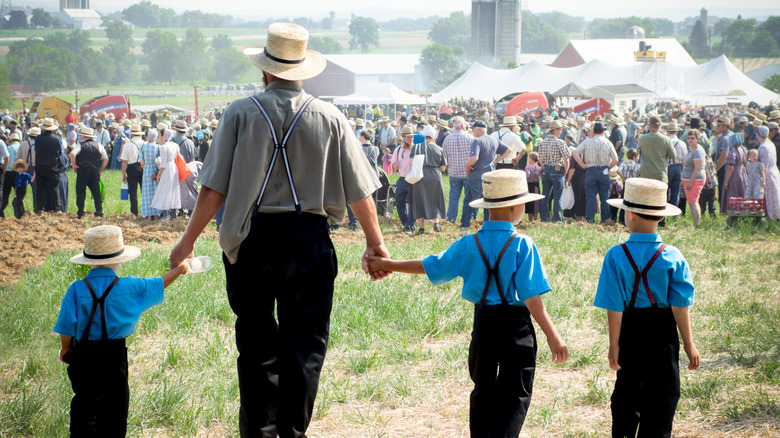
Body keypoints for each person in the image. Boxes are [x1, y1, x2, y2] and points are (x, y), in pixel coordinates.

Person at [168, 22, 387, 437]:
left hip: (250, 239)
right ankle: (292, 432)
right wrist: (377, 246)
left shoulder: (239, 112)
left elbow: (214, 188)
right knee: (304, 346)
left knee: (255, 345)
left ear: (265, 71)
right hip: (308, 240)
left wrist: (187, 241)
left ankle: (259, 434)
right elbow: (361, 192)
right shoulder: (330, 116)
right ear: (302, 71)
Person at [368, 169, 568, 437]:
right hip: (517, 328)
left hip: (484, 325)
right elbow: (532, 299)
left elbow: (431, 266)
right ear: (515, 207)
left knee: (482, 389)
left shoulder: (468, 243)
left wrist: (387, 264)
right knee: (514, 395)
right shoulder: (523, 244)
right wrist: (553, 336)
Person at [53, 225, 188, 436]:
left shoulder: (76, 289)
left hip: (84, 357)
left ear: (90, 261)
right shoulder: (131, 287)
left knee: (84, 408)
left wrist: (66, 348)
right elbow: (159, 284)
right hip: (114, 357)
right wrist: (180, 269)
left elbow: (66, 327)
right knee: (115, 411)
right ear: (119, 259)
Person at [595, 177, 700, 438]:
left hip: (630, 332)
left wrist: (614, 344)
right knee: (663, 397)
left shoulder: (615, 255)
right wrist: (688, 343)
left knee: (626, 396)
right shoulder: (672, 255)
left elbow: (614, 306)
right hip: (663, 335)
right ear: (661, 216)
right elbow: (680, 306)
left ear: (628, 215)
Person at [462, 120, 512, 230]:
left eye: (474, 129)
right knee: (488, 200)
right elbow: (509, 150)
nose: (473, 132)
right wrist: (496, 160)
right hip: (490, 173)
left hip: (477, 174)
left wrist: (467, 165)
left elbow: (474, 158)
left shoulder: (477, 141)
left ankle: (465, 225)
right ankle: (488, 225)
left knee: (468, 200)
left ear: (479, 129)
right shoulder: (494, 139)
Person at [572, 122, 619, 223]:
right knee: (604, 197)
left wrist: (583, 165)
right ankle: (606, 219)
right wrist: (609, 167)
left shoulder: (587, 142)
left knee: (590, 197)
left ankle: (590, 219)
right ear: (603, 132)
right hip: (604, 170)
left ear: (594, 132)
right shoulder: (608, 142)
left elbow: (575, 153)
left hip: (590, 170)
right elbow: (615, 159)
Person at [411, 125, 447, 234]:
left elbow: (411, 163)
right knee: (435, 199)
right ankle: (436, 222)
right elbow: (443, 168)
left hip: (420, 175)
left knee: (419, 201)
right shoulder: (440, 149)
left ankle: (421, 228)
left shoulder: (416, 147)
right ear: (434, 136)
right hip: (435, 176)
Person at [71, 126, 108, 219]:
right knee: (96, 192)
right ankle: (99, 211)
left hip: (83, 170)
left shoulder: (81, 145)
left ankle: (80, 212)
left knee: (80, 191)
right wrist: (100, 170)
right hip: (94, 170)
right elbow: (106, 159)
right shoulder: (99, 145)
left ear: (83, 136)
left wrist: (74, 165)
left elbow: (72, 154)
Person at [538, 119, 571, 222]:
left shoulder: (542, 142)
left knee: (545, 196)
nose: (561, 131)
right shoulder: (560, 142)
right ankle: (557, 219)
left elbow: (540, 159)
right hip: (557, 170)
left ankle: (544, 218)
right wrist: (565, 171)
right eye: (560, 129)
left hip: (547, 170)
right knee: (557, 197)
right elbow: (566, 159)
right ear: (556, 130)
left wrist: (545, 166)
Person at [442, 116, 473, 224]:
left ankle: (451, 218)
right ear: (463, 125)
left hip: (454, 171)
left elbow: (444, 156)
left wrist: (448, 166)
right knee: (469, 197)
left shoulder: (447, 139)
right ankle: (471, 217)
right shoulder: (470, 138)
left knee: (454, 197)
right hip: (468, 172)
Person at [34, 118, 63, 214]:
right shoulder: (57, 139)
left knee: (40, 188)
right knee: (54, 188)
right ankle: (57, 208)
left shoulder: (38, 138)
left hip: (40, 165)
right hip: (52, 165)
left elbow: (36, 150)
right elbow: (60, 152)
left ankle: (40, 209)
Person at [151, 129, 181, 220]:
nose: (159, 137)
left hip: (167, 168)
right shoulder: (174, 145)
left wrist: (159, 174)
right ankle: (174, 214)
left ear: (163, 136)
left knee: (164, 190)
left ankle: (165, 214)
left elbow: (163, 164)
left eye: (160, 135)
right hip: (174, 167)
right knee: (173, 189)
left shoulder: (163, 147)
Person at [638, 116, 676, 185]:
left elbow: (639, 153)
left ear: (649, 126)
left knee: (646, 195)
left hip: (645, 174)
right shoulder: (666, 139)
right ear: (660, 126)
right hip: (660, 174)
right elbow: (673, 155)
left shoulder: (642, 138)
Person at [681, 129, 707, 226]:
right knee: (691, 202)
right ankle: (695, 222)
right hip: (687, 179)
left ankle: (697, 224)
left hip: (695, 180)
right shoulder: (691, 149)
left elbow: (697, 168)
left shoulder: (698, 151)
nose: (690, 140)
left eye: (693, 138)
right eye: (689, 138)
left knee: (693, 202)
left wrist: (691, 182)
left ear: (698, 139)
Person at [756, 125, 780, 219]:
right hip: (774, 170)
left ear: (758, 134)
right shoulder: (770, 143)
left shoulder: (764, 147)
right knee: (775, 194)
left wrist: (763, 179)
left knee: (771, 196)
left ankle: (773, 216)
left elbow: (764, 165)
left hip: (768, 173)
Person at [121, 124, 145, 217]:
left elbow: (124, 162)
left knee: (133, 191)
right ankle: (145, 211)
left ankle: (134, 212)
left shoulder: (127, 145)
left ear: (132, 134)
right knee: (144, 191)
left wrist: (123, 174)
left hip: (131, 168)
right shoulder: (144, 143)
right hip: (143, 166)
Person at [139, 129, 161, 220]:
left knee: (147, 193)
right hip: (155, 170)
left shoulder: (143, 146)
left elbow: (142, 160)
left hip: (147, 169)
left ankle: (148, 216)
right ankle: (156, 215)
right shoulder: (157, 147)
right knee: (155, 192)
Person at [722, 133, 747, 211]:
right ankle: (743, 208)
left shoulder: (732, 152)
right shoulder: (744, 150)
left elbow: (730, 168)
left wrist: (726, 181)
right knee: (742, 191)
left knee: (733, 192)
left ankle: (734, 209)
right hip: (742, 172)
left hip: (734, 174)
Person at [1, 131, 20, 216]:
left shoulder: (9, 148)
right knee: (18, 194)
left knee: (5, 194)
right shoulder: (20, 147)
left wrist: (4, 170)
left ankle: (1, 211)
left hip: (8, 172)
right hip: (18, 172)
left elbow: (7, 160)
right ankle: (19, 213)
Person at [524, 151, 542, 221]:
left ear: (530, 159)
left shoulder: (528, 167)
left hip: (529, 185)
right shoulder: (539, 168)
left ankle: (530, 220)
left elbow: (527, 175)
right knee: (536, 202)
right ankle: (535, 219)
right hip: (536, 186)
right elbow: (541, 176)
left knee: (529, 202)